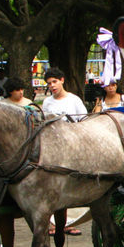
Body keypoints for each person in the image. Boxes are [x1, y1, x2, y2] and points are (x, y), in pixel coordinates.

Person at [42, 67, 88, 236]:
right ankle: (54, 223)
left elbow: (83, 122)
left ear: (62, 80)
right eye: (49, 84)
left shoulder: (74, 100)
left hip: (73, 145)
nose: (52, 86)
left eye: (54, 82)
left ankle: (69, 222)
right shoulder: (47, 103)